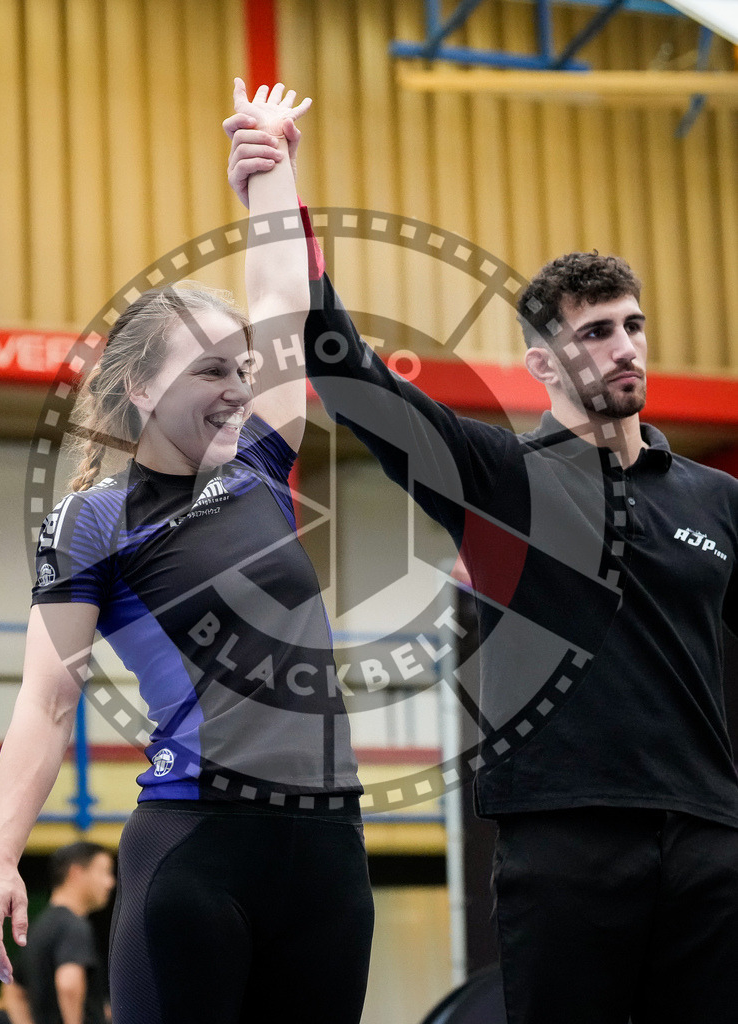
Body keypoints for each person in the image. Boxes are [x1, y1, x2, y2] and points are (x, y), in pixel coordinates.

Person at [225, 119, 738, 1024]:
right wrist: (277, 204)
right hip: (565, 844)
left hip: (709, 844)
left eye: (631, 326)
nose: (623, 347)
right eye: (594, 333)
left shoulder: (715, 500)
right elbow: (349, 378)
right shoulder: (504, 481)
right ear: (543, 361)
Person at [0, 80, 374, 1024]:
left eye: (241, 369)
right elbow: (45, 698)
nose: (238, 389)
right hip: (196, 848)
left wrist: (270, 176)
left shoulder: (264, 466)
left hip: (326, 849)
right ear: (142, 391)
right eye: (209, 372)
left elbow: (279, 296)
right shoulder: (92, 519)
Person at [2, 842, 115, 1024]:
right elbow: (68, 984)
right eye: (105, 872)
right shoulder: (74, 926)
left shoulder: (40, 926)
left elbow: (13, 990)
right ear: (76, 873)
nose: (110, 883)